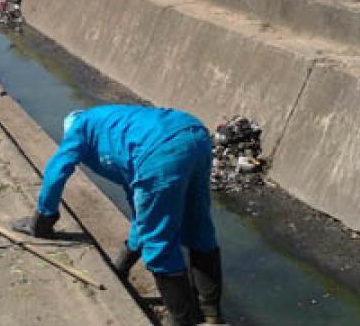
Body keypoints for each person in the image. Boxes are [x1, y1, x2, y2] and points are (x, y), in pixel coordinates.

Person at [13, 105, 223, 325]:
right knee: (198, 228)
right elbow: (141, 207)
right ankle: (212, 315)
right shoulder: (113, 127)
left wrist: (43, 218)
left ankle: (183, 321)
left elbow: (56, 171)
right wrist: (122, 265)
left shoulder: (79, 128)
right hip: (194, 134)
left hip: (160, 151)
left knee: (159, 245)